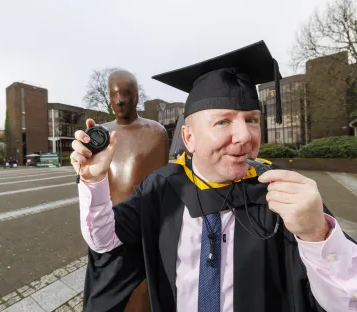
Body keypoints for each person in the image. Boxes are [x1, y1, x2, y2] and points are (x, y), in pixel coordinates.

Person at [71, 41, 357, 312]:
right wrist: (95, 181)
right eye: (223, 121)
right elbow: (105, 242)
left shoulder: (283, 194)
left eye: (252, 120)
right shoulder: (162, 189)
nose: (245, 136)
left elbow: (346, 302)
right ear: (189, 137)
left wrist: (318, 236)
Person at [81, 69, 169, 312]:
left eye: (126, 94)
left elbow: (160, 186)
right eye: (114, 95)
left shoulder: (156, 133)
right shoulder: (101, 136)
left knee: (142, 299)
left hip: (144, 230)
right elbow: (91, 186)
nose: (120, 101)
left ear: (137, 96)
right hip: (109, 230)